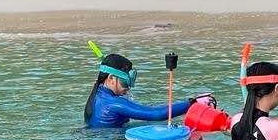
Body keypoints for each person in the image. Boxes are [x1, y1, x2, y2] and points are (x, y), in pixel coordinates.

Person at [84, 53, 215, 128]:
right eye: (125, 82)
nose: (129, 87)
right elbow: (155, 114)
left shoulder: (98, 94)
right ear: (111, 78)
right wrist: (192, 103)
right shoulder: (113, 103)